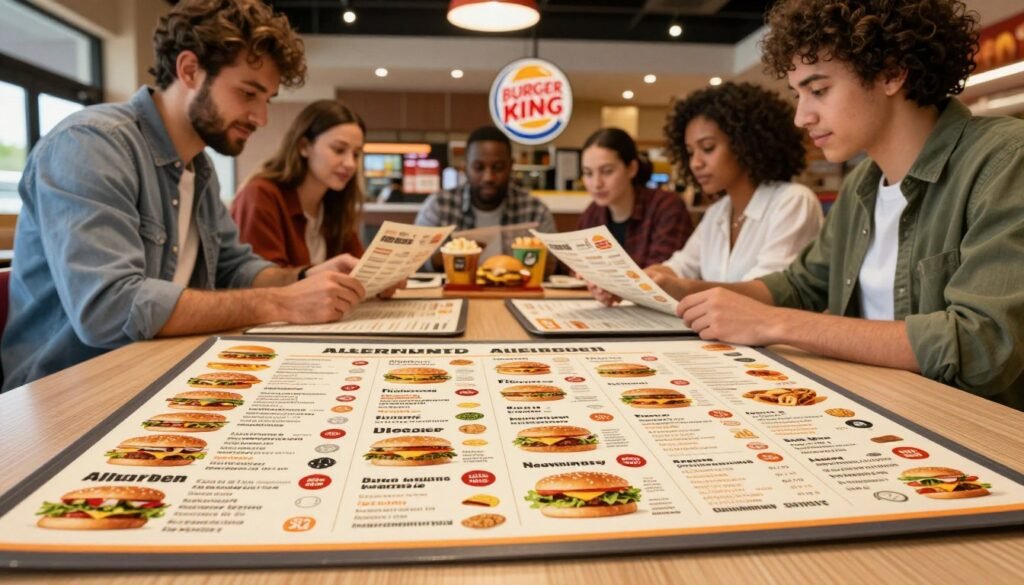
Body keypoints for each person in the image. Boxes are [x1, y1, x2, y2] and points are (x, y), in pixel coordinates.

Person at [1, 0, 390, 392]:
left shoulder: (199, 170)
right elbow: (109, 309)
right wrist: (281, 302)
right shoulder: (91, 145)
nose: (261, 117)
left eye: (266, 99)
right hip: (66, 396)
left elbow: (235, 269)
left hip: (157, 376)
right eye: (247, 93)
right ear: (189, 70)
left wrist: (305, 277)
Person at [673, 0, 1024, 409]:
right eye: (798, 95)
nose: (801, 117)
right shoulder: (864, 182)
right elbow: (801, 285)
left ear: (892, 72)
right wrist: (683, 289)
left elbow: (982, 344)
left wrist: (774, 323)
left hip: (968, 432)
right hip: (873, 408)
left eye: (819, 90)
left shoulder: (1004, 159)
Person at [232, 99, 366, 268]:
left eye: (356, 154)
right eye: (339, 150)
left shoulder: (334, 202)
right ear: (304, 146)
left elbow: (359, 268)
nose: (350, 164)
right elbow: (261, 281)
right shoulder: (260, 195)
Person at [415, 126, 556, 268]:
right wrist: (452, 255)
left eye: (498, 167)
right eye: (478, 167)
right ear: (465, 166)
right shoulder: (439, 206)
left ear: (511, 166)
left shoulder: (535, 210)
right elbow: (415, 261)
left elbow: (553, 263)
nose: (488, 177)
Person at [577, 127, 693, 267]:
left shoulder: (666, 207)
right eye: (588, 173)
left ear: (631, 168)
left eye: (607, 171)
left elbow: (662, 274)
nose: (596, 183)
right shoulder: (592, 214)